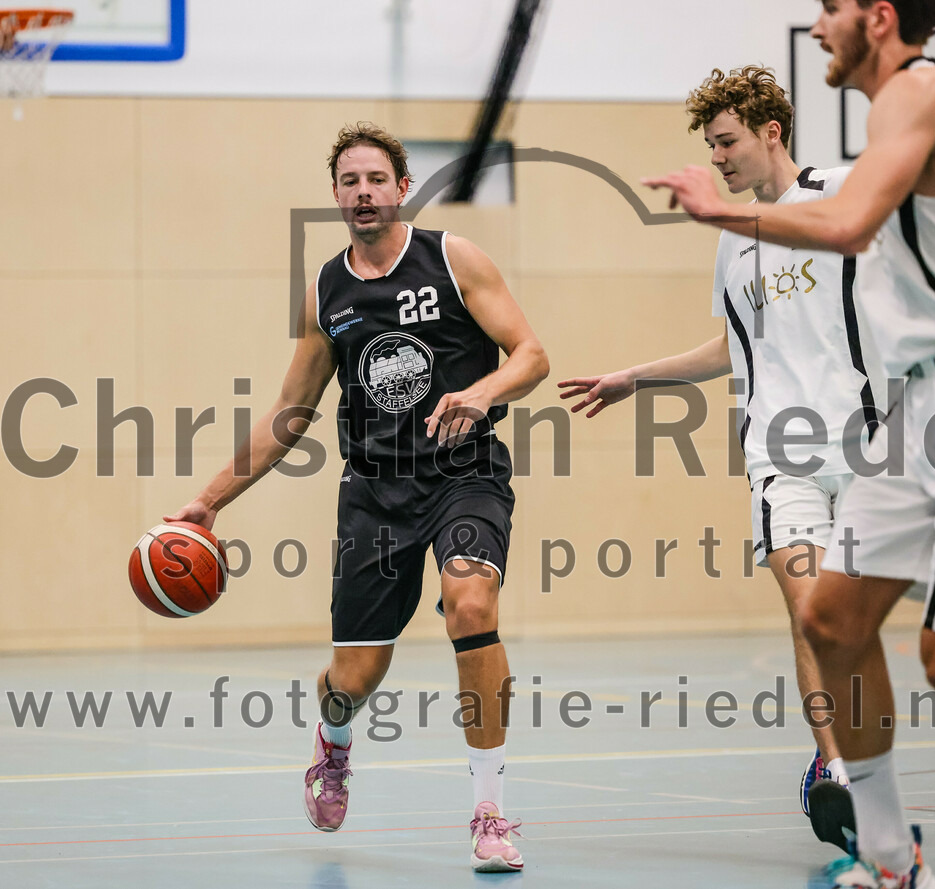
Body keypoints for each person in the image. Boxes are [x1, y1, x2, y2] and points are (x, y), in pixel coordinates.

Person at [644, 2, 935, 888]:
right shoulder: (891, 114)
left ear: (879, 17)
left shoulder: (921, 94)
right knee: (830, 619)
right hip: (921, 396)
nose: (817, 26)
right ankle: (892, 856)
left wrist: (721, 213)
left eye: (831, 10)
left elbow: (848, 225)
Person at [166, 121, 548, 873]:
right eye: (349, 181)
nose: (363, 192)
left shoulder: (453, 258)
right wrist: (209, 501)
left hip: (464, 472)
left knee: (471, 604)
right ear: (336, 195)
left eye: (377, 179)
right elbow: (289, 414)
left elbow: (532, 355)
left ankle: (490, 811)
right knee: (353, 678)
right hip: (374, 496)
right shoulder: (326, 290)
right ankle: (334, 740)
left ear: (403, 187)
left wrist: (481, 391)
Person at [559, 64, 882, 850]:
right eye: (710, 146)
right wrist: (636, 376)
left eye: (728, 141)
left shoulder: (841, 190)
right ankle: (841, 773)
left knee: (856, 633)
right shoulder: (734, 247)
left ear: (772, 131)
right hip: (783, 455)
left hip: (873, 449)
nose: (719, 158)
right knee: (812, 617)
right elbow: (735, 348)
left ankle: (851, 758)